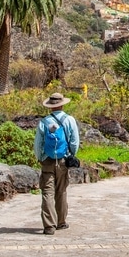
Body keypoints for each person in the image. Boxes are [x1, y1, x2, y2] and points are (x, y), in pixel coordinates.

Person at [34, 92, 80, 235]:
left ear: (50, 106)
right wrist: (70, 155)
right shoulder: (69, 120)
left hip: (47, 160)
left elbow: (38, 143)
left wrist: (40, 157)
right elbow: (74, 141)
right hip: (63, 160)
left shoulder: (44, 122)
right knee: (61, 190)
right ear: (62, 104)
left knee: (47, 192)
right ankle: (61, 222)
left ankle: (49, 226)